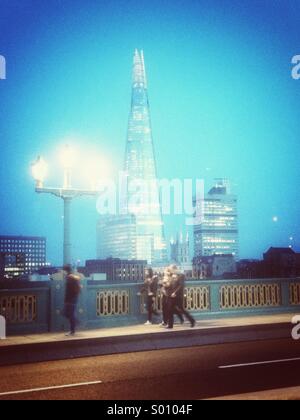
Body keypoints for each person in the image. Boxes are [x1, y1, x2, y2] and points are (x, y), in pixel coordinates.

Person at [63, 265, 81, 336]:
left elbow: (70, 290)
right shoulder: (71, 277)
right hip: (71, 299)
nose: (62, 272)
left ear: (65, 271)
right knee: (67, 314)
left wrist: (68, 299)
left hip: (71, 299)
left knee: (69, 314)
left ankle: (73, 330)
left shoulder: (70, 278)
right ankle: (75, 323)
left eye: (63, 271)